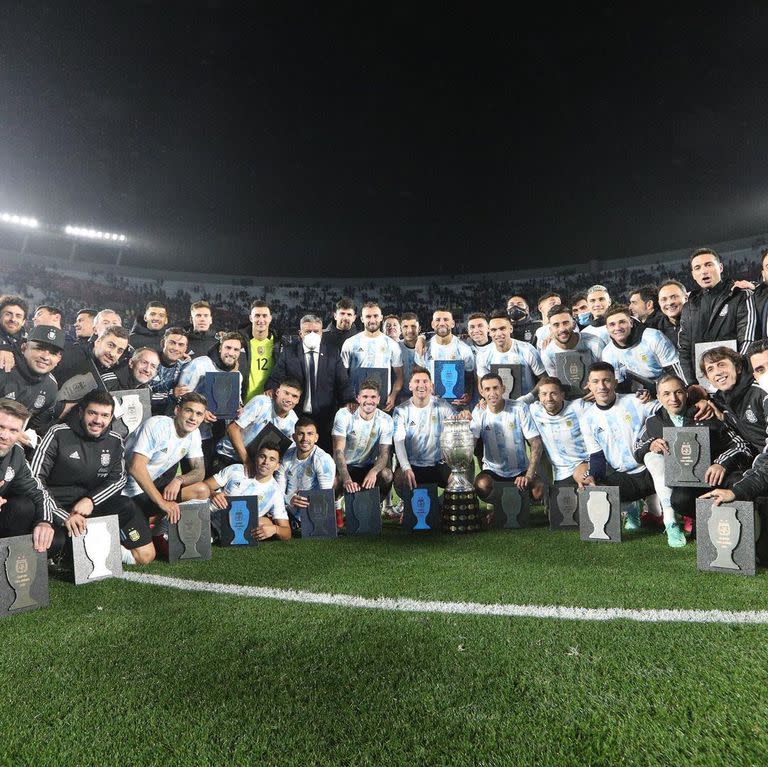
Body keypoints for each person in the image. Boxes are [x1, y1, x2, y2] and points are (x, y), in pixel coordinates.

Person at [30, 390, 156, 565]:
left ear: (111, 417)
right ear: (81, 412)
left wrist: (91, 500)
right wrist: (62, 515)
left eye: (105, 415)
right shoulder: (57, 433)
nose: (98, 420)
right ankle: (70, 548)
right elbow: (35, 478)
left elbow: (118, 479)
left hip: (89, 510)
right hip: (56, 509)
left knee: (126, 506)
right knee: (53, 544)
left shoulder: (114, 440)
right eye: (92, 413)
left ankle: (90, 547)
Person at [634, 374, 751, 547]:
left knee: (737, 482)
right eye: (666, 394)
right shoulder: (654, 422)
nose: (673, 398)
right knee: (678, 501)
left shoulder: (704, 413)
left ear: (686, 394)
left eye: (678, 392)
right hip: (688, 483)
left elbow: (742, 445)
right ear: (658, 397)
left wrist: (721, 463)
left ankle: (735, 528)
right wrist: (650, 445)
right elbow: (637, 450)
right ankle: (702, 519)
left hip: (717, 478)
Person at [575, 362, 662, 531]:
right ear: (589, 385)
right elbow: (597, 456)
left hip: (651, 470)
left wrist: (652, 394)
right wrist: (592, 477)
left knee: (660, 506)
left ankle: (672, 522)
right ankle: (632, 507)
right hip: (624, 477)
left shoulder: (636, 401)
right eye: (596, 381)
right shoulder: (587, 418)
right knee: (592, 484)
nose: (601, 386)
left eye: (606, 380)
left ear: (615, 382)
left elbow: (667, 410)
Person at [121, 393, 207, 548]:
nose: (193, 418)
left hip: (147, 491)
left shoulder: (194, 433)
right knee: (146, 555)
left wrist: (179, 480)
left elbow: (199, 472)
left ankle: (159, 532)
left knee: (201, 490)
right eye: (189, 411)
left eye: (199, 414)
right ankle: (137, 526)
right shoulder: (157, 426)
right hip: (124, 493)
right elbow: (136, 467)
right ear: (177, 411)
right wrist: (162, 503)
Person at [265, 315, 354, 452]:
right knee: (294, 453)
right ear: (300, 333)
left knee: (324, 454)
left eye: (316, 331)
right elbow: (276, 377)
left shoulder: (332, 353)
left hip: (325, 417)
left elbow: (343, 381)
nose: (312, 334)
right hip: (297, 415)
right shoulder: (289, 352)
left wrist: (349, 399)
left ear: (322, 332)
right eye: (307, 331)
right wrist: (271, 388)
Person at [678, 248, 756, 390]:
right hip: (704, 389)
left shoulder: (740, 296)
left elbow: (748, 340)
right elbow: (684, 351)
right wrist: (692, 385)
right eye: (698, 268)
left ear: (720, 267)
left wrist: (736, 376)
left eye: (709, 265)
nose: (704, 271)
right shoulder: (688, 307)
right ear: (693, 275)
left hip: (737, 383)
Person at [185, 444, 291, 541]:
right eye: (262, 456)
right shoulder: (237, 469)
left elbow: (287, 532)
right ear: (256, 458)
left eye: (272, 459)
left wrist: (275, 529)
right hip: (205, 509)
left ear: (277, 466)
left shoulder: (275, 493)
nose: (265, 462)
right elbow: (204, 485)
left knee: (263, 522)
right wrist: (213, 494)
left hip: (226, 526)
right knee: (200, 489)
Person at [470, 373, 544, 504]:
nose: (492, 393)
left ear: (503, 389)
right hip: (493, 471)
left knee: (538, 490)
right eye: (487, 389)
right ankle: (499, 507)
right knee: (481, 485)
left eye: (495, 388)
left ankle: (517, 503)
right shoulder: (479, 412)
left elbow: (536, 442)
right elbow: (472, 442)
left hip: (520, 470)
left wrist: (529, 475)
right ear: (481, 392)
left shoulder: (519, 408)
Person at [177, 332, 244, 470]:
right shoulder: (200, 364)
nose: (231, 352)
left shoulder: (237, 375)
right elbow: (181, 396)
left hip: (220, 436)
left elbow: (238, 400)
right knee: (194, 477)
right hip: (196, 434)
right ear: (220, 348)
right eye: (228, 347)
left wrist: (240, 407)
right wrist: (202, 412)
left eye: (236, 349)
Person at [0, 398, 59, 552]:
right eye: (0, 427)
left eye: (13, 430)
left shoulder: (16, 455)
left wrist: (44, 522)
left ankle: (8, 562)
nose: (5, 436)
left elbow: (38, 493)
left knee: (55, 539)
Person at [392, 369, 458, 500]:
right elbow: (398, 442)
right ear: (410, 385)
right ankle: (408, 507)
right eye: (417, 381)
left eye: (425, 381)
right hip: (413, 466)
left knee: (458, 479)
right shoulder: (401, 411)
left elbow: (457, 422)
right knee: (400, 479)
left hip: (437, 465)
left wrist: (464, 415)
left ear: (431, 386)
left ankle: (441, 506)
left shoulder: (442, 406)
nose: (421, 385)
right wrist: (406, 468)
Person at [332, 379, 394, 505]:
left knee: (387, 475)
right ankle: (336, 507)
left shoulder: (386, 420)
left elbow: (384, 454)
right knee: (333, 481)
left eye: (373, 397)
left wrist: (374, 471)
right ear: (358, 398)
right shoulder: (344, 415)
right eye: (365, 396)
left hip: (367, 466)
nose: (369, 401)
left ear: (378, 399)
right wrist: (347, 479)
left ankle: (374, 507)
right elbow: (338, 451)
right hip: (345, 466)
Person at [217, 379, 301, 472]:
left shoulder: (294, 421)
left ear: (298, 401)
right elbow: (232, 429)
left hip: (256, 466)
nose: (289, 399)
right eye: (286, 393)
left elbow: (286, 454)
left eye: (294, 396)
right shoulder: (261, 402)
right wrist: (246, 461)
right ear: (277, 392)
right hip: (228, 456)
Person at [0, 325, 64, 439]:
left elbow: (36, 427)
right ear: (24, 348)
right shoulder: (4, 369)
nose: (45, 357)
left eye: (53, 353)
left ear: (59, 359)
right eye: (39, 348)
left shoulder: (51, 387)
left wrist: (27, 436)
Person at [701, 345, 767, 456]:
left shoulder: (761, 391)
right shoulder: (720, 402)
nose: (717, 372)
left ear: (738, 367)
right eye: (710, 369)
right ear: (708, 379)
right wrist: (724, 418)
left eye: (721, 365)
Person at [601, 303, 683, 392]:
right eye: (612, 324)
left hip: (668, 390)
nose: (617, 328)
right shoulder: (608, 353)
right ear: (607, 328)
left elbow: (676, 373)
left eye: (622, 322)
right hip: (639, 394)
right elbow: (618, 387)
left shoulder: (653, 337)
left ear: (631, 323)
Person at [340, 301, 403, 411]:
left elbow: (399, 376)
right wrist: (349, 398)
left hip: (382, 403)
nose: (372, 320)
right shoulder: (350, 343)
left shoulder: (392, 344)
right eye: (368, 316)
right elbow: (342, 376)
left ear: (381, 318)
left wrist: (393, 396)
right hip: (356, 403)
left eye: (375, 316)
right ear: (362, 319)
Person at [528, 377, 589, 489]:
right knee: (562, 504)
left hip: (584, 464)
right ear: (539, 397)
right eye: (544, 394)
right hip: (562, 473)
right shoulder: (535, 411)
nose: (549, 398)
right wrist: (485, 405)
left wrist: (596, 393)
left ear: (562, 395)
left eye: (553, 393)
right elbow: (515, 405)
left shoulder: (578, 407)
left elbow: (604, 408)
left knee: (587, 495)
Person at [275, 416, 336, 527]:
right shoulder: (286, 456)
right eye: (301, 434)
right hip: (286, 510)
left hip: (312, 513)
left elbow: (325, 497)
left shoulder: (323, 460)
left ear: (316, 437)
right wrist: (289, 499)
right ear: (294, 437)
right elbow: (278, 491)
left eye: (310, 434)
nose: (305, 438)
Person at [475, 310, 545, 399]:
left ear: (510, 329)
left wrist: (529, 397)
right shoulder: (483, 355)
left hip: (527, 406)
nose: (498, 333)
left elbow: (544, 379)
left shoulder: (527, 349)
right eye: (494, 330)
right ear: (489, 332)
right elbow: (482, 385)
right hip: (499, 406)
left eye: (502, 328)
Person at [413, 308, 474, 406]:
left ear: (453, 323)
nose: (441, 323)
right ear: (432, 324)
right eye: (438, 320)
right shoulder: (423, 348)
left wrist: (468, 394)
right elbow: (418, 375)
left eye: (446, 320)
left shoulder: (464, 349)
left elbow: (469, 377)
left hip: (455, 403)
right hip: (429, 402)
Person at [540, 305, 603, 397]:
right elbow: (556, 383)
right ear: (550, 329)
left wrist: (597, 389)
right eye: (556, 325)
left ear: (573, 324)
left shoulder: (595, 343)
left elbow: (607, 373)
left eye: (565, 323)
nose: (562, 329)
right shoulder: (547, 353)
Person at [240, 299, 281, 403]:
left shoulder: (279, 343)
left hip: (269, 404)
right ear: (251, 318)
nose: (261, 319)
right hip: (243, 404)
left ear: (270, 318)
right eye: (257, 315)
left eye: (264, 316)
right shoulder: (240, 342)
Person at [148, 327, 190, 415]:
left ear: (185, 349)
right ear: (163, 343)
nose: (176, 348)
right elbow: (141, 397)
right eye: (172, 343)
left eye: (181, 345)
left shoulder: (185, 368)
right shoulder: (148, 363)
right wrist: (171, 394)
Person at [0, 294, 29, 372]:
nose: (13, 319)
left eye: (18, 316)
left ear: (23, 322)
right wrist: (3, 346)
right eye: (8, 314)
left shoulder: (29, 342)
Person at [656, 280, 687, 347]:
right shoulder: (655, 329)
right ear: (659, 303)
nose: (669, 303)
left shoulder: (700, 323)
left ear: (686, 298)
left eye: (674, 297)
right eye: (664, 299)